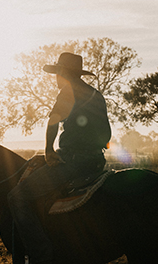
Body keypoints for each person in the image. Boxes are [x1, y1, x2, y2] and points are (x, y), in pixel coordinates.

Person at [7, 52, 111, 263]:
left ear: (63, 72)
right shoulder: (96, 95)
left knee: (17, 197)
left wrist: (48, 150)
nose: (55, 77)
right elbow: (106, 135)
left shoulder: (68, 91)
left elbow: (53, 121)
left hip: (74, 162)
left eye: (57, 72)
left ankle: (40, 253)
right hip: (97, 161)